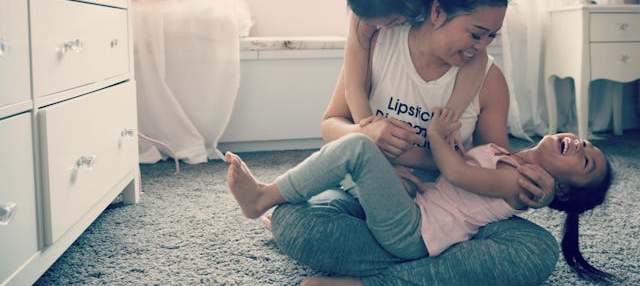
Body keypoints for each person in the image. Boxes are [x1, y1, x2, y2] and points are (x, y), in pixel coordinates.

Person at [267, 0, 560, 285]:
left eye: (491, 37)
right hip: (360, 199)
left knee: (535, 249)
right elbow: (331, 123)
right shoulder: (378, 39)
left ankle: (371, 278)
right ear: (437, 12)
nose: (481, 46)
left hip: (438, 216)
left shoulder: (488, 80)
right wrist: (367, 136)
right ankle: (427, 275)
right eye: (475, 33)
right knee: (297, 221)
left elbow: (491, 163)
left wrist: (533, 187)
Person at [225, 107, 613, 283]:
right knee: (357, 160)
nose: (580, 145)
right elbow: (464, 170)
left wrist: (438, 134)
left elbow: (457, 173)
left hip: (415, 236)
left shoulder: (524, 185)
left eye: (586, 162)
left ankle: (263, 196)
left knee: (358, 149)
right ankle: (278, 210)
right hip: (416, 214)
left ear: (559, 189)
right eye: (586, 144)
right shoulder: (503, 156)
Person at [341, 0, 488, 143]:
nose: (383, 29)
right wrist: (372, 136)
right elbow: (353, 87)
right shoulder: (363, 16)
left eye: (391, 21)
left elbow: (479, 55)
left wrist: (450, 115)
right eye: (376, 24)